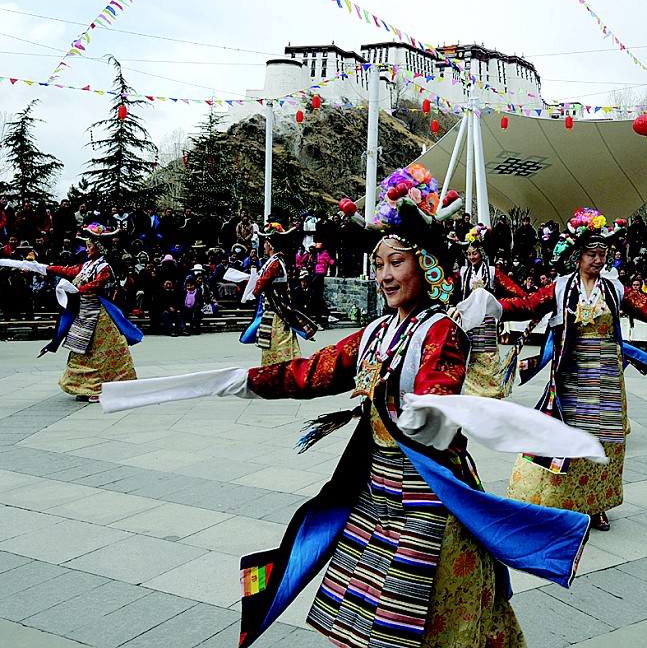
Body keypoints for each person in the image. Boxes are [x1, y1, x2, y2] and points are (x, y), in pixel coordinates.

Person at [102, 165, 604, 648]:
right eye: (380, 264)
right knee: (365, 609)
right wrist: (236, 381)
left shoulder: (442, 330)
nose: (384, 275)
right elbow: (311, 372)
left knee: (426, 613)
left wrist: (425, 413)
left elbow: (438, 388)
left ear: (425, 264)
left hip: (426, 495)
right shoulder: (376, 332)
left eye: (397, 262)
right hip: (374, 491)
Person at [497, 208, 647, 531]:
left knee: (604, 448)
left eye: (602, 254)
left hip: (607, 381)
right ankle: (561, 503)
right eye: (591, 254)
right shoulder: (563, 287)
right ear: (578, 256)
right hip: (572, 379)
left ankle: (597, 506)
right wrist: (495, 306)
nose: (598, 260)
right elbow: (528, 305)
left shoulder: (614, 289)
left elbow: (644, 307)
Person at [0, 224, 142, 402]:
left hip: (100, 315)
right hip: (84, 313)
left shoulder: (104, 267)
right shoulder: (87, 265)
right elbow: (66, 271)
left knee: (104, 352)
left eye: (90, 246)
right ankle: (85, 386)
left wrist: (75, 289)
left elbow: (96, 285)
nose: (87, 249)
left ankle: (103, 387)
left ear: (99, 247)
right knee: (81, 349)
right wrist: (43, 268)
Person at [455, 225, 525, 397]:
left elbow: (514, 289)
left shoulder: (492, 272)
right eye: (469, 254)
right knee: (471, 355)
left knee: (487, 354)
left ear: (482, 253)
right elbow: (452, 291)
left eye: (475, 253)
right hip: (468, 321)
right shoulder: (463, 273)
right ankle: (471, 390)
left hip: (487, 322)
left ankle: (491, 389)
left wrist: (515, 302)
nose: (472, 257)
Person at [240, 223, 317, 365]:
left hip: (276, 304)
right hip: (274, 303)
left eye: (265, 243)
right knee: (278, 330)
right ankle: (280, 360)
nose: (264, 246)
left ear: (270, 245)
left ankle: (281, 361)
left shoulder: (275, 262)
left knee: (278, 332)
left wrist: (254, 293)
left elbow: (265, 280)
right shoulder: (276, 260)